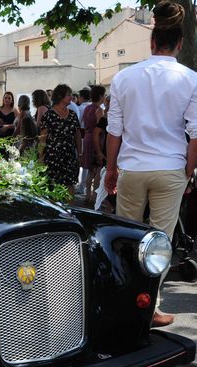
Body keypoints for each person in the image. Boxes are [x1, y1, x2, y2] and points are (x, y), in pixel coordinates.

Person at [105, 1, 197, 327]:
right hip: (170, 167)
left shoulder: (124, 78)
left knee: (127, 238)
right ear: (180, 43)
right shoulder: (190, 78)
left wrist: (111, 170)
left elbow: (114, 131)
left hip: (132, 167)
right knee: (160, 242)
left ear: (152, 41)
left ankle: (124, 301)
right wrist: (188, 171)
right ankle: (151, 308)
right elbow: (195, 134)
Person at [39, 84, 82, 199]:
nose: (71, 97)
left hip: (69, 155)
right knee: (53, 185)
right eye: (68, 95)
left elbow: (77, 135)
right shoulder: (49, 115)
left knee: (70, 184)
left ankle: (70, 213)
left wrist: (80, 153)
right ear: (60, 96)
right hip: (53, 155)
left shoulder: (72, 114)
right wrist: (40, 155)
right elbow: (43, 138)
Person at [81, 85, 106, 204]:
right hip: (96, 139)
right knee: (97, 169)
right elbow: (99, 127)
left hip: (87, 137)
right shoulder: (99, 110)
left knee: (90, 170)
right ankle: (95, 197)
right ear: (101, 96)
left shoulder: (87, 108)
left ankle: (87, 195)